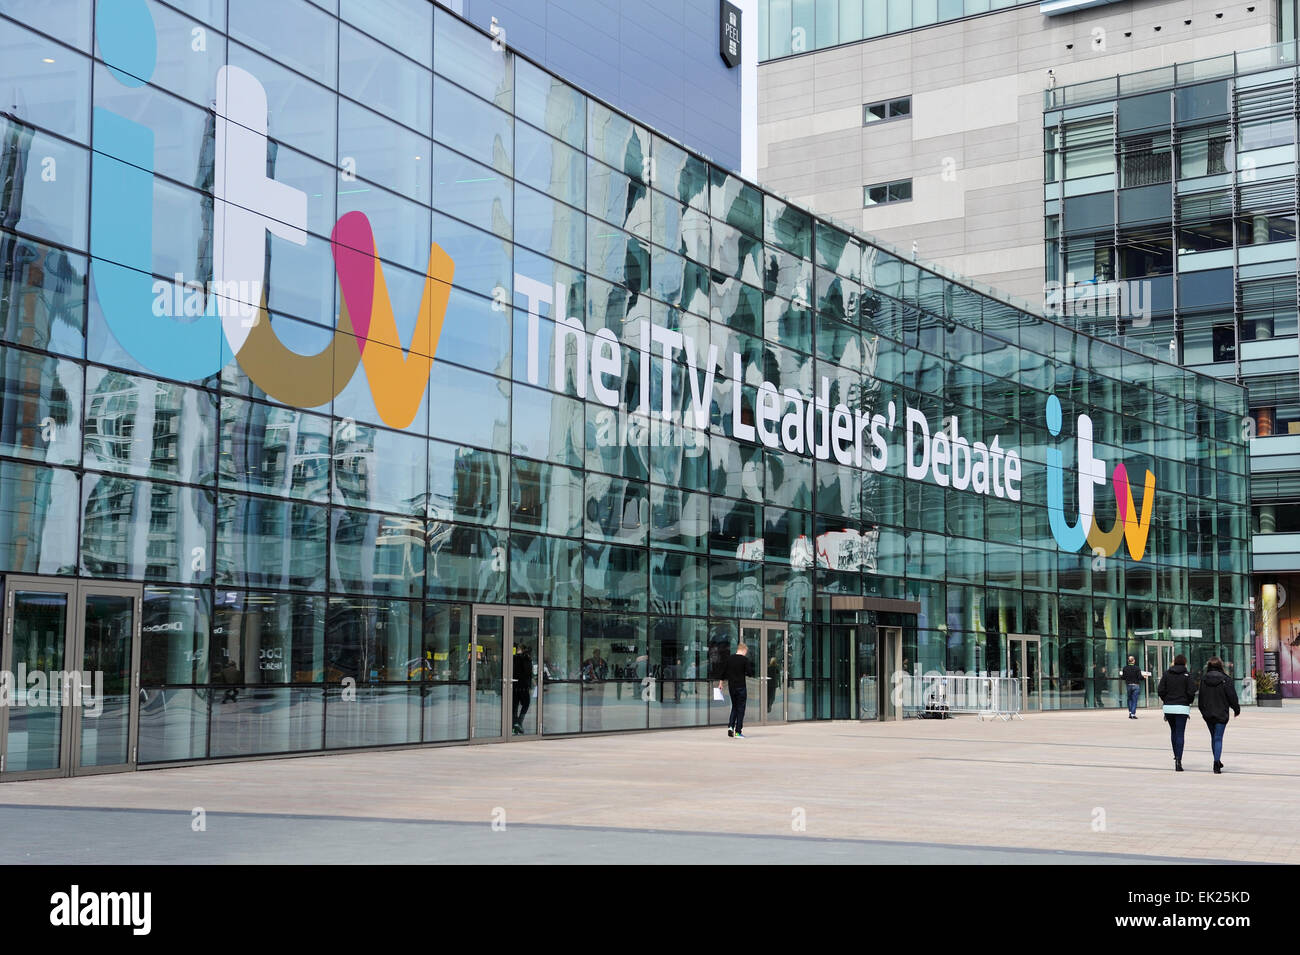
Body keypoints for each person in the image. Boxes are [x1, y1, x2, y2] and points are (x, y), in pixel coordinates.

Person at [1197, 657, 1241, 774]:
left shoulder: (1204, 679)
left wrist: (1202, 710)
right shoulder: (1226, 679)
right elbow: (1232, 696)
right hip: (1221, 712)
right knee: (1218, 738)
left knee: (1214, 737)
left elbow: (1201, 697)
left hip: (1208, 713)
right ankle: (1216, 762)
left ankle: (1217, 760)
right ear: (1221, 665)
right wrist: (1236, 709)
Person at [1157, 653, 1197, 772]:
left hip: (1169, 707)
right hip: (1182, 708)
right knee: (1180, 733)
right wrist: (1188, 702)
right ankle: (1179, 759)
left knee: (1173, 732)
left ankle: (1176, 755)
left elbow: (1160, 690)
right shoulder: (1187, 675)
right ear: (1185, 663)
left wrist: (1166, 700)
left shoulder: (1167, 674)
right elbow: (1191, 691)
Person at [718, 642, 753, 738]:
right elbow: (750, 673)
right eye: (746, 651)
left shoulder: (729, 659)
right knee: (741, 708)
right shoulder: (745, 660)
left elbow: (723, 672)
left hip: (732, 686)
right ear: (744, 650)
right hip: (741, 686)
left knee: (734, 706)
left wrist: (720, 683)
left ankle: (730, 727)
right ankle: (738, 731)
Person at [1120, 655, 1149, 719]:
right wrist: (1144, 677)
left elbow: (1123, 677)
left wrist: (1121, 675)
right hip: (1136, 685)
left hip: (1129, 685)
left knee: (1129, 699)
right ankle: (1133, 714)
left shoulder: (1125, 668)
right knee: (1134, 700)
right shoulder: (1137, 668)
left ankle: (1130, 712)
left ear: (1128, 661)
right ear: (1134, 661)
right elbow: (1140, 677)